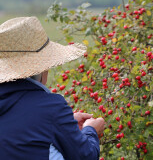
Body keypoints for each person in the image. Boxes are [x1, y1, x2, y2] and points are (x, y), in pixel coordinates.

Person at [0, 16, 105, 160]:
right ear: (41, 69)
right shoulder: (50, 107)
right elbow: (86, 155)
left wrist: (64, 122)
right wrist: (91, 130)